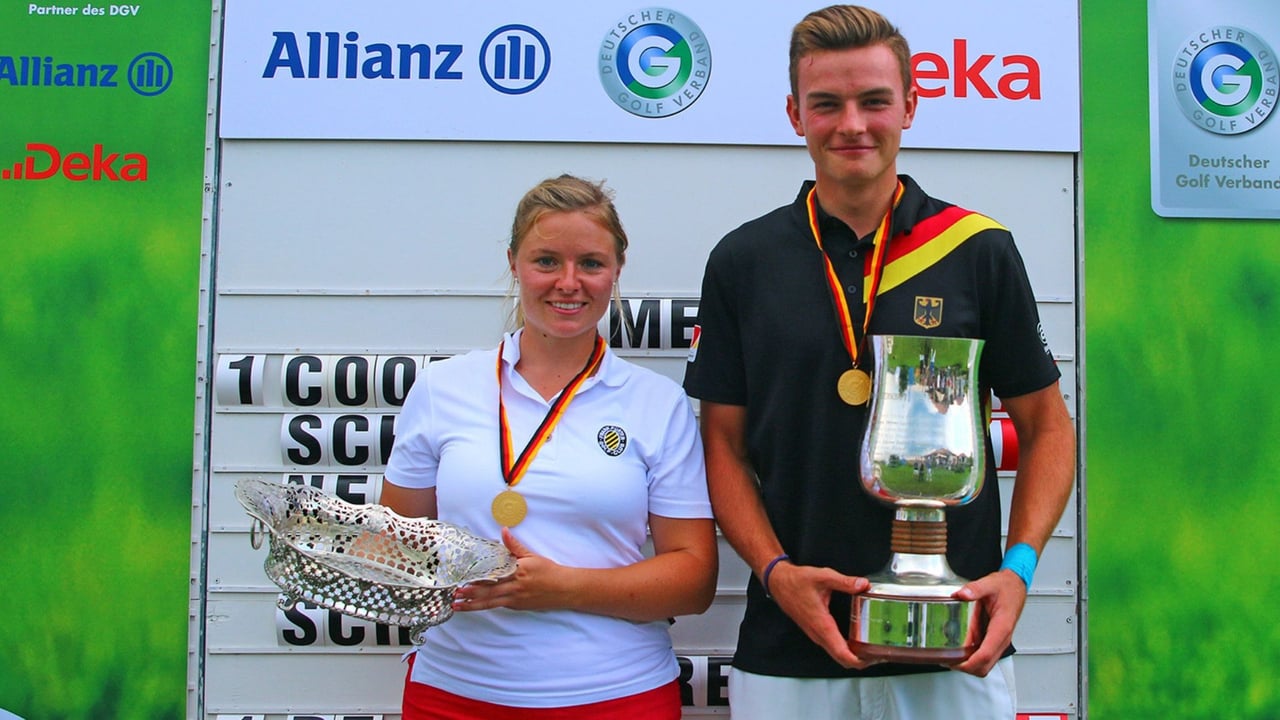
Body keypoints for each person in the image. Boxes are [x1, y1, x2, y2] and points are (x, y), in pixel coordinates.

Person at [682, 5, 1076, 719]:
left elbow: (1047, 427)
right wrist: (775, 575)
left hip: (958, 637)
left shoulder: (978, 248)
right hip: (789, 648)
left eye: (874, 101)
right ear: (794, 113)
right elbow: (723, 446)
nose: (852, 125)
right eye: (827, 104)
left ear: (911, 106)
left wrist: (1017, 572)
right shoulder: (743, 259)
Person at [382, 174, 717, 719]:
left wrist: (563, 588)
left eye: (590, 263)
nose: (569, 282)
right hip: (454, 693)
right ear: (514, 262)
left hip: (618, 695)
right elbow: (394, 546)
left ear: (616, 270)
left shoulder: (657, 403)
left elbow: (694, 581)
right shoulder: (443, 388)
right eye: (546, 261)